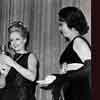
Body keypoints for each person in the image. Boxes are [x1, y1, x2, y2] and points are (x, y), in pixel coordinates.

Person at [39, 6, 91, 100]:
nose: (59, 29)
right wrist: (56, 77)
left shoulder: (78, 41)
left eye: (61, 24)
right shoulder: (74, 42)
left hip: (79, 94)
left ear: (71, 23)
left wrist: (59, 78)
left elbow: (90, 68)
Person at [0, 21, 38, 100]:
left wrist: (12, 63)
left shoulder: (30, 56)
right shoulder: (10, 58)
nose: (14, 43)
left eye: (17, 39)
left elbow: (32, 77)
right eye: (11, 40)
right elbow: (2, 85)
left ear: (24, 40)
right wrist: (2, 74)